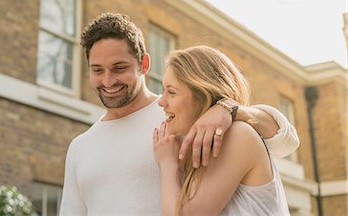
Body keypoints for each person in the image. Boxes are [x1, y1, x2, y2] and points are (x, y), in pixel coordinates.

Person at [59, 13, 299, 215]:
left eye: (119, 68)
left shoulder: (181, 117)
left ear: (144, 64)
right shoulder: (80, 147)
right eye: (97, 70)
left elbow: (286, 143)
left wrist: (229, 108)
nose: (108, 80)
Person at [154, 45, 289, 216]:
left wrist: (167, 164)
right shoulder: (200, 145)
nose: (161, 101)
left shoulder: (238, 134)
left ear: (203, 95)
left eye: (171, 92)